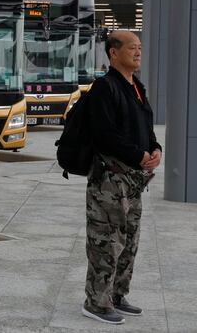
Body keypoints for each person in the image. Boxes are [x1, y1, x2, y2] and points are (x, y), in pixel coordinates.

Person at [82, 30, 161, 324]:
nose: (138, 52)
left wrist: (155, 149)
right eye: (132, 48)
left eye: (140, 47)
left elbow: (147, 127)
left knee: (129, 241)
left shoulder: (137, 87)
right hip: (109, 181)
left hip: (134, 180)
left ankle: (116, 295)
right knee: (106, 241)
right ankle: (96, 302)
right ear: (113, 53)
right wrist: (137, 155)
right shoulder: (105, 88)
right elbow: (104, 135)